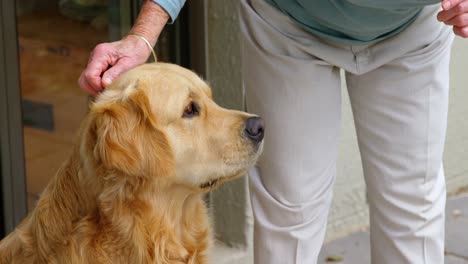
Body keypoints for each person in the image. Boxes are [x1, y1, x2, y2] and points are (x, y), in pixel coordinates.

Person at [79, 0, 468, 263]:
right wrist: (143, 35)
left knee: (411, 200)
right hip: (288, 23)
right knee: (291, 205)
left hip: (412, 29)